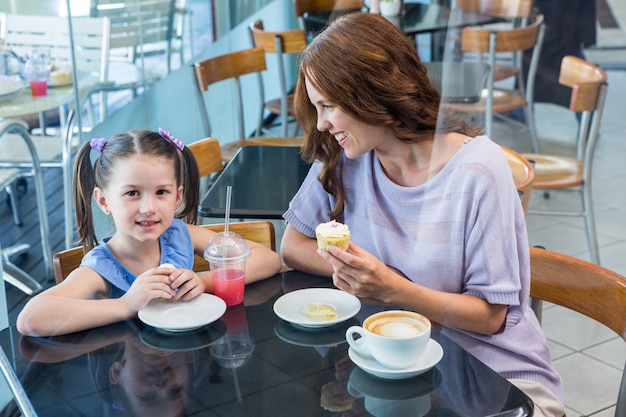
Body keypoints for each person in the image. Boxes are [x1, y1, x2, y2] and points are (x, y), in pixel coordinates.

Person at [280, 13, 565, 416]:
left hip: (493, 375)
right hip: (395, 360)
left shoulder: (478, 170)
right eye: (316, 107)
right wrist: (356, 270)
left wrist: (390, 286)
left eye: (329, 105)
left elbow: (490, 316)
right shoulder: (346, 155)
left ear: (372, 93)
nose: (323, 123)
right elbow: (293, 245)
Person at [17, 129, 282, 337]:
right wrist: (126, 305)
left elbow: (268, 260)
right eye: (132, 193)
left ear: (177, 197)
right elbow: (30, 318)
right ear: (104, 201)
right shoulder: (101, 269)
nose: (149, 208)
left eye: (161, 192)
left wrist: (203, 282)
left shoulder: (180, 235)